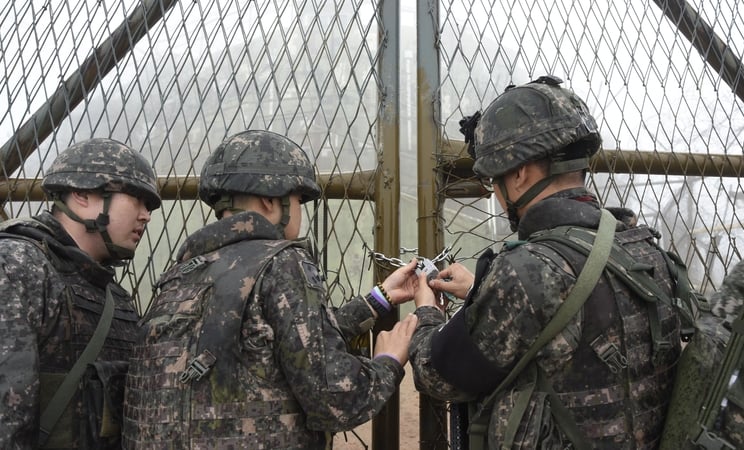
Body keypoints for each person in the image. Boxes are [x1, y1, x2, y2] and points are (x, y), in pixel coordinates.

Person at [408, 76, 684, 449]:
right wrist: (479, 290)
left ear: (519, 172)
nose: (497, 193)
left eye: (495, 179)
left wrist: (427, 313)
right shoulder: (645, 249)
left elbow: (438, 376)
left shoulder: (526, 270)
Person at [122, 129, 419, 449]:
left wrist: (377, 300)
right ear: (271, 199)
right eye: (297, 199)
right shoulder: (282, 261)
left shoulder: (178, 275)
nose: (300, 211)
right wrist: (388, 360)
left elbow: (278, 341)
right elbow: (339, 400)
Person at [0, 138, 162, 449]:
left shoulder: (114, 296)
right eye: (137, 199)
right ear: (83, 194)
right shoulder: (17, 267)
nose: (146, 215)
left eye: (150, 206)